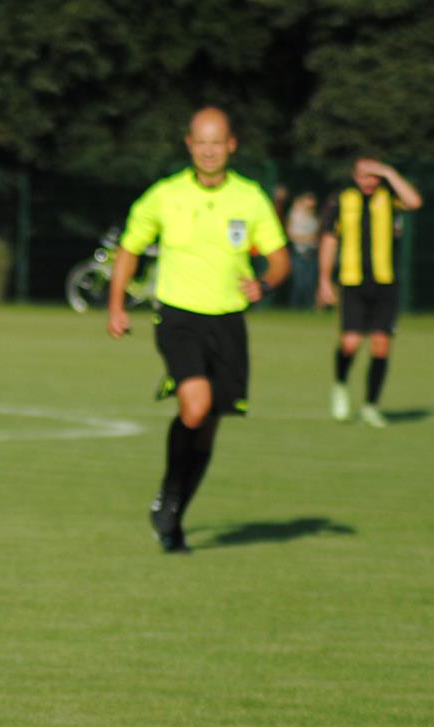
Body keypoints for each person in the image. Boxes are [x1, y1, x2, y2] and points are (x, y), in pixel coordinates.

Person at [107, 107, 289, 553]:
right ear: (189, 145)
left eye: (218, 142)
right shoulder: (164, 195)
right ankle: (169, 495)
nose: (209, 150)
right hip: (178, 317)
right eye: (201, 142)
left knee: (208, 426)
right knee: (195, 405)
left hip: (228, 321)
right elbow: (129, 249)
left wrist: (264, 281)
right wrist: (116, 305)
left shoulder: (250, 198)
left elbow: (280, 257)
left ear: (231, 145)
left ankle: (174, 516)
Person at [317, 157, 423, 427]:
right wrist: (324, 279)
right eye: (364, 175)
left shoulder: (389, 197)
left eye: (374, 175)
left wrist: (390, 171)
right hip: (352, 281)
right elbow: (329, 239)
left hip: (385, 281)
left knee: (381, 345)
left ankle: (370, 405)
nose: (369, 181)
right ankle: (340, 385)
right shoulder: (342, 200)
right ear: (354, 176)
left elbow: (414, 202)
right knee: (351, 342)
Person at [285, 192, 320, 309]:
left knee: (310, 282)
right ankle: (294, 307)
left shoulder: (314, 216)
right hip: (299, 252)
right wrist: (307, 238)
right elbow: (291, 234)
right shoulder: (295, 215)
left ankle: (308, 307)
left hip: (311, 252)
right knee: (299, 283)